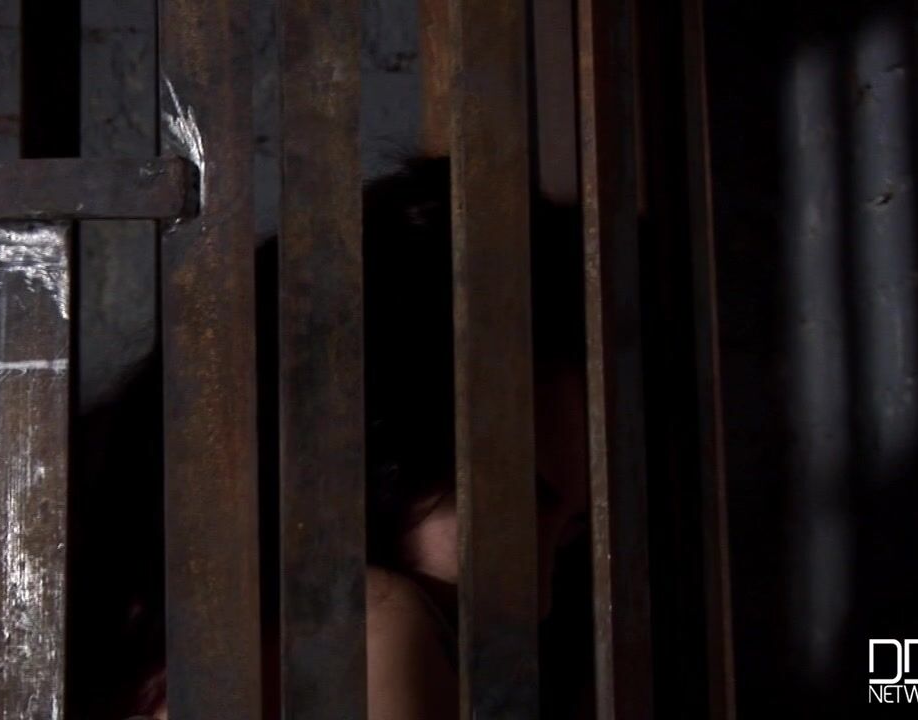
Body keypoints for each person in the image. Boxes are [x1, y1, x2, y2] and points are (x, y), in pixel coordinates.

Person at [67, 156, 589, 720]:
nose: (540, 600)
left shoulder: (142, 628)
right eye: (511, 512)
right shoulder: (370, 626)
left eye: (566, 541)